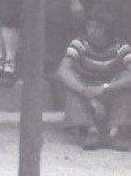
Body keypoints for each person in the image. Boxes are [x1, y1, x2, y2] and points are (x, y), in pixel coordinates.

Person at [56, 16, 131, 151]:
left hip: (109, 90)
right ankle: (91, 131)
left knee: (127, 77)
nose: (93, 31)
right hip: (86, 89)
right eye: (90, 26)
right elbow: (63, 71)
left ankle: (115, 132)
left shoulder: (121, 46)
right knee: (70, 80)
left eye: (98, 27)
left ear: (108, 30)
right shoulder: (79, 43)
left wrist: (106, 88)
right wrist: (86, 93)